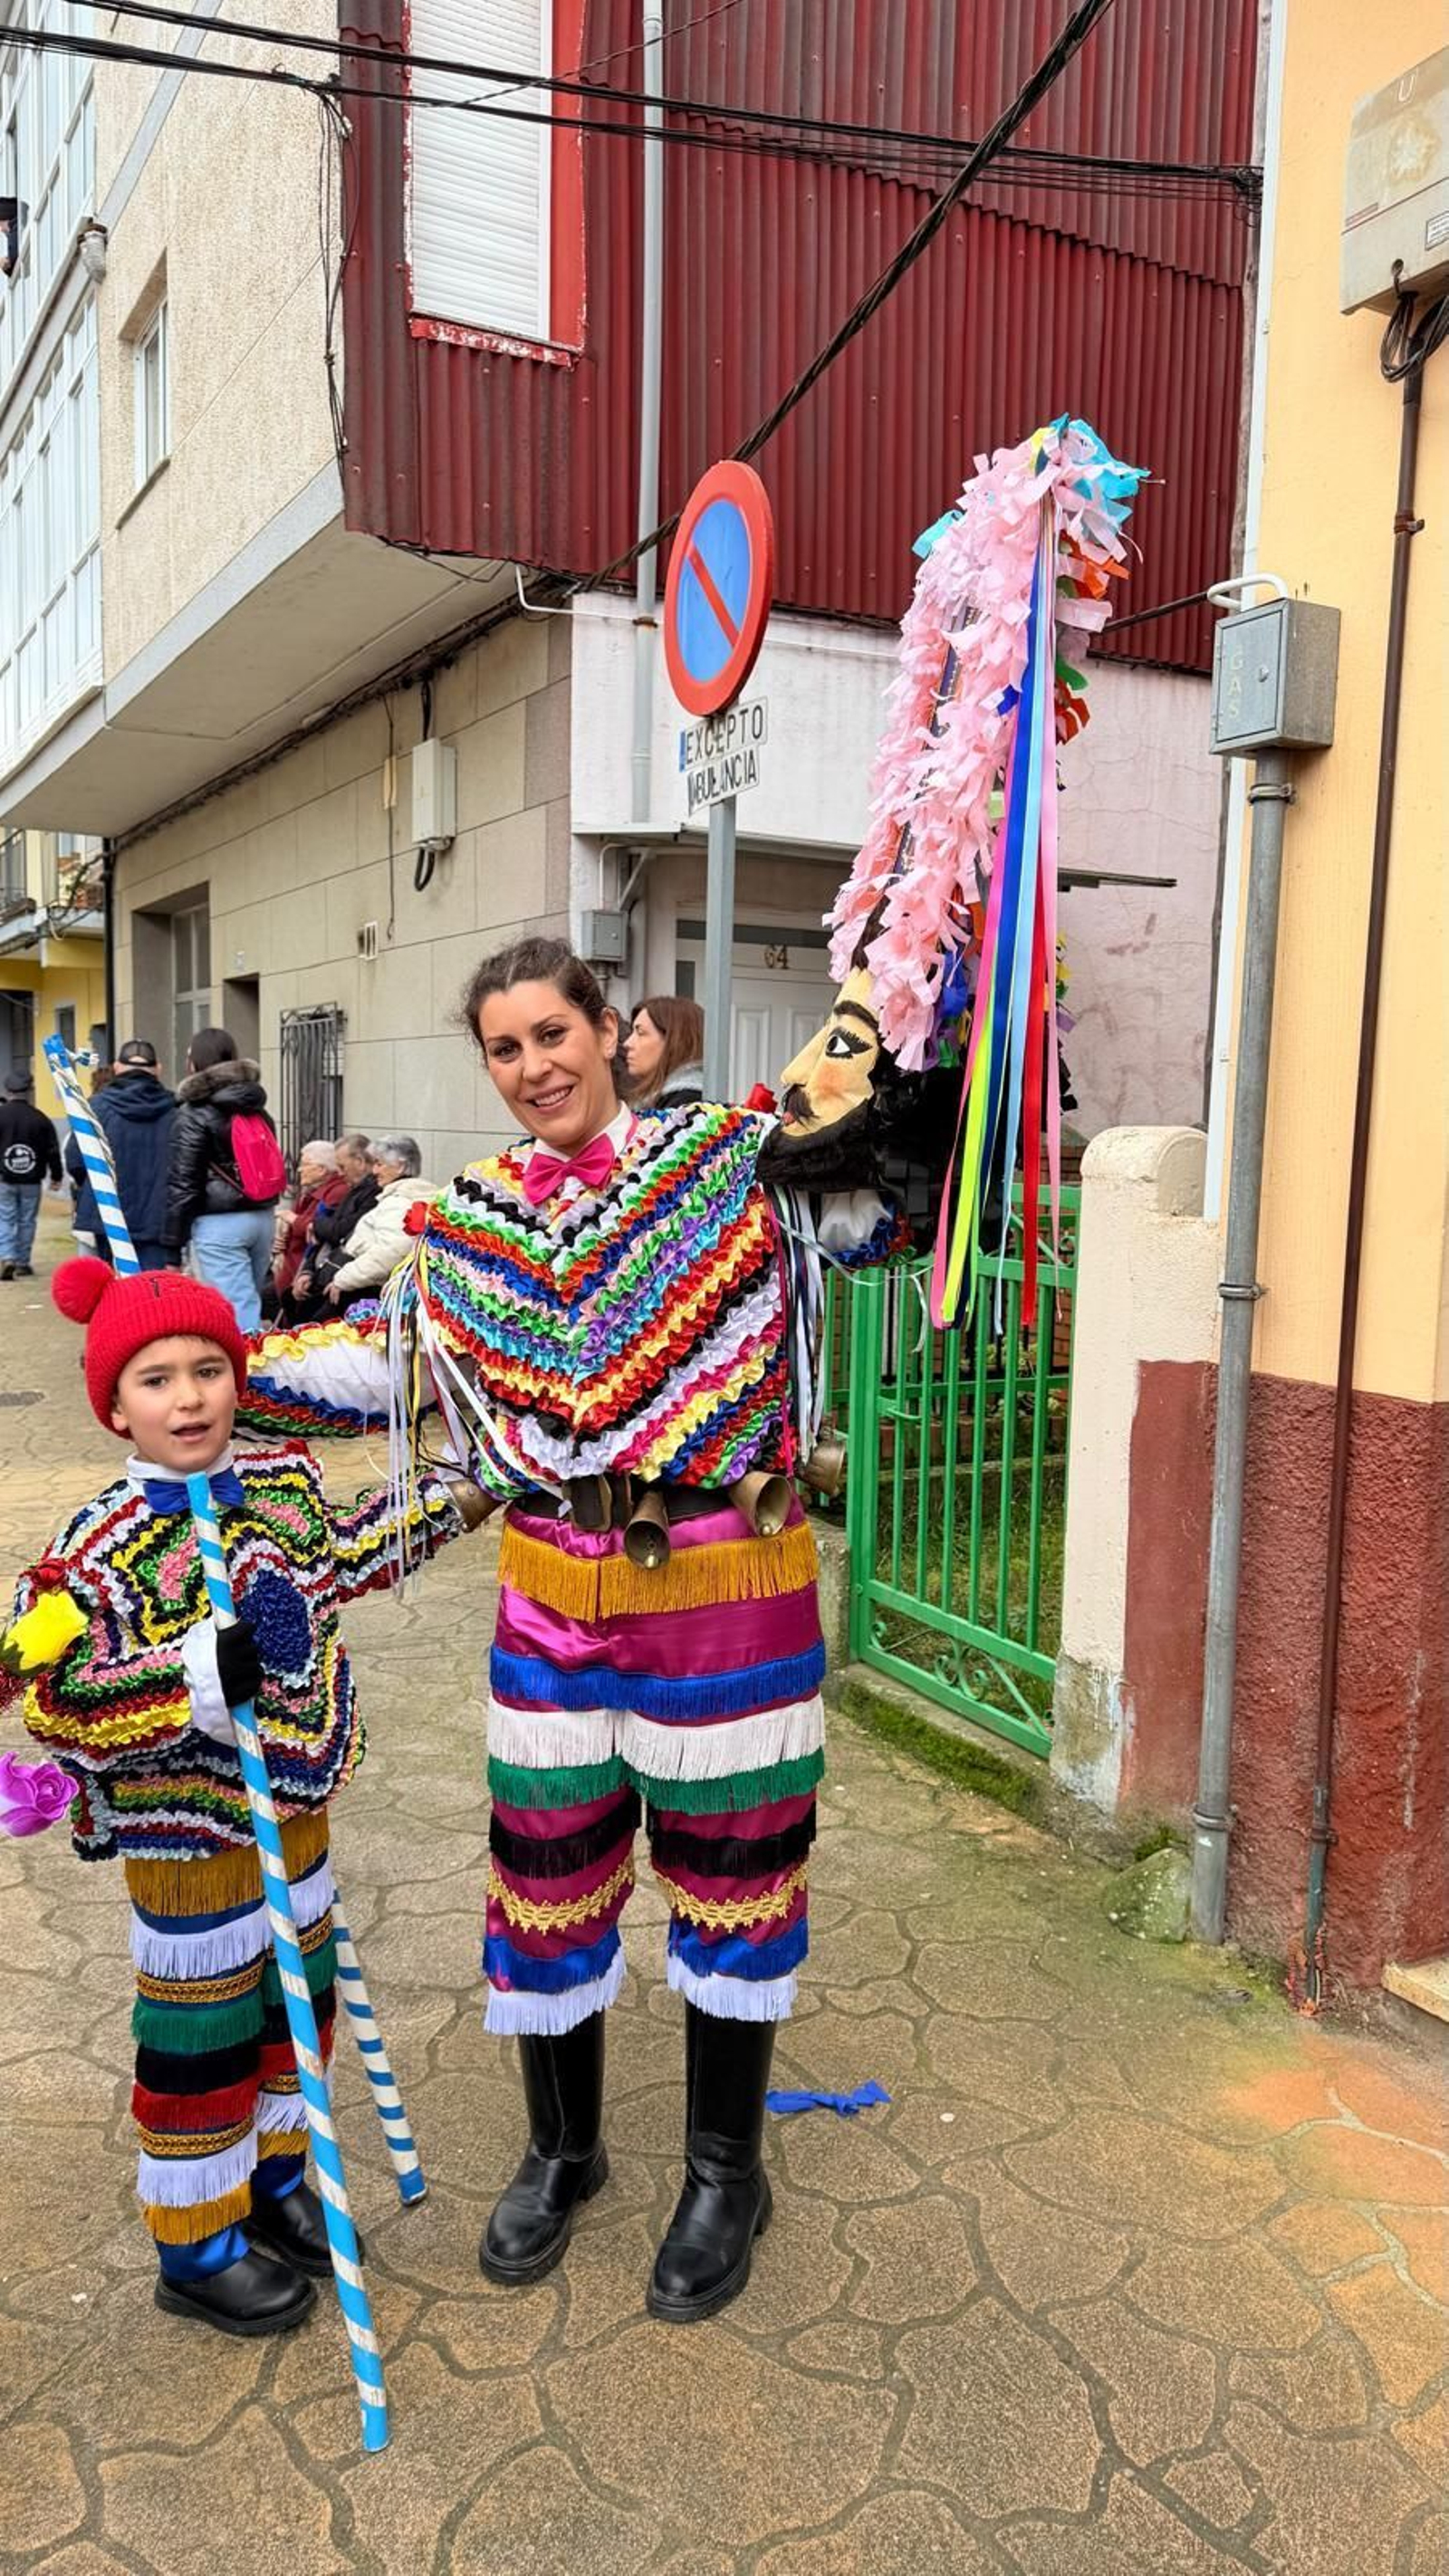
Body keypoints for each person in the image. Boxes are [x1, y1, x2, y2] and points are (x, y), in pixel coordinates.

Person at [240, 937, 910, 2323]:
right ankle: (565, 2151)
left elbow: (884, 1221)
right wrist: (194, 1370)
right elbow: (389, 1373)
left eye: (555, 1033)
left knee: (736, 1875)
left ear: (611, 1031)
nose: (535, 1066)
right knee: (544, 1878)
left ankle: (728, 2173)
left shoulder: (735, 1161)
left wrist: (904, 1076)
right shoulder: (465, 1224)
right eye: (506, 1048)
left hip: (732, 1582)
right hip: (554, 1588)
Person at [0, 1258, 483, 2338]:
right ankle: (195, 2242)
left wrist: (456, 1495)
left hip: (297, 1818)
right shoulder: (95, 1552)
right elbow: (56, 1699)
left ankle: (273, 2180)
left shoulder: (281, 1485)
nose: (189, 1398)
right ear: (113, 1402)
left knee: (290, 2012)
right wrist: (185, 1684)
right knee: (206, 2041)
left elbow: (345, 1560)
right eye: (157, 1378)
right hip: (194, 1846)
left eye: (208, 1369)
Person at [165, 1029, 283, 1333]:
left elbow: (184, 1183)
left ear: (195, 1063)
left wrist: (171, 1247)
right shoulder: (257, 1108)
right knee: (248, 1301)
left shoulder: (194, 1113)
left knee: (236, 1313)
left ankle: (250, 1378)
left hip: (219, 1225)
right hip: (262, 1217)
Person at [70, 1040, 178, 1273]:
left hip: (107, 1216)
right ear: (158, 1068)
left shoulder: (95, 1107)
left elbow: (76, 1161)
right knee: (153, 1295)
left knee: (110, 1295)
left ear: (117, 1067)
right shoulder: (176, 1109)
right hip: (158, 1219)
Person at [321, 1136, 427, 1308]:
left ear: (400, 1166)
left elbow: (390, 1252)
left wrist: (344, 1279)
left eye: (379, 1164)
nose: (374, 1171)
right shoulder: (399, 1196)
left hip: (367, 1292)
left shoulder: (400, 1202)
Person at [294, 1131, 375, 1313]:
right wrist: (307, 1271)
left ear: (360, 1163)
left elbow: (340, 1231)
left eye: (342, 1166)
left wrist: (316, 1222)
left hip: (340, 1283)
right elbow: (323, 1235)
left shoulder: (372, 1193)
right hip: (322, 1274)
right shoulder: (352, 1188)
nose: (338, 1172)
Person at [0, 1064, 62, 1280]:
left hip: (4, 1179)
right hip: (32, 1180)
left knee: (5, 1217)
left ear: (7, 1090)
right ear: (30, 1090)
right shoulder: (40, 1118)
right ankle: (22, 1263)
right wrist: (56, 1176)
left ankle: (7, 1256)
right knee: (27, 1220)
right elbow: (52, 1150)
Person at [271, 1138, 344, 1318]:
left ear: (321, 1170)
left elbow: (319, 1229)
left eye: (305, 1164)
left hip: (306, 1272)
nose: (299, 1169)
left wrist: (293, 1220)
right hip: (292, 1271)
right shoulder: (310, 1191)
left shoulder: (337, 1192)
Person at [623, 996, 705, 1110]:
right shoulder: (658, 1099)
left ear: (675, 1040)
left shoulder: (685, 1106)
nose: (627, 1043)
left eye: (640, 1033)